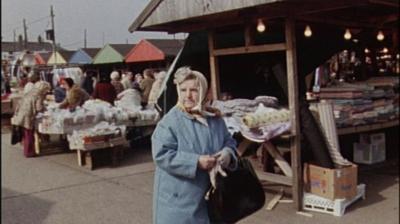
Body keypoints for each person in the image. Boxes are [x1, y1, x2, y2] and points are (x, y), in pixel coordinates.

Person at [151, 66, 238, 224]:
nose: (188, 95)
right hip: (178, 201)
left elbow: (229, 141)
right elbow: (161, 154)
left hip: (209, 198)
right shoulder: (171, 122)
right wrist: (196, 161)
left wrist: (227, 153)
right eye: (183, 90)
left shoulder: (214, 119)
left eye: (194, 90)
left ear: (204, 91)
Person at [11, 81, 51, 157]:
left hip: (21, 114)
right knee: (29, 134)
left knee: (25, 133)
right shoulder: (39, 95)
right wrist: (44, 108)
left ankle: (27, 151)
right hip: (28, 116)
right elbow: (38, 108)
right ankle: (29, 152)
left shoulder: (29, 92)